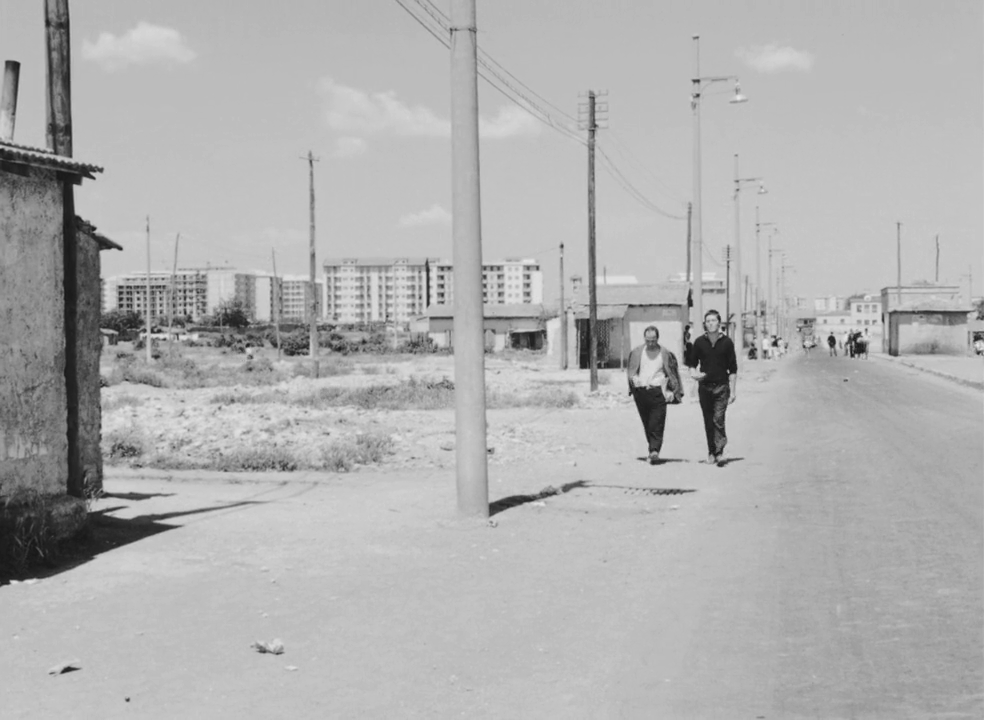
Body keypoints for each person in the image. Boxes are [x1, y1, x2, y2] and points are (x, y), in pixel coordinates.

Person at [686, 310, 738, 466]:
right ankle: (711, 452)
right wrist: (694, 374)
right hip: (705, 387)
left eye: (713, 320)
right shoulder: (699, 342)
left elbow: (733, 369)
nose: (710, 323)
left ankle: (720, 452)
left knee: (718, 419)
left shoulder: (727, 343)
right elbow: (692, 363)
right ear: (705, 324)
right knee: (708, 421)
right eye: (708, 321)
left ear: (719, 323)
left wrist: (733, 391)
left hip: (722, 387)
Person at [627, 326, 683, 465]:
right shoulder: (637, 352)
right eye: (648, 340)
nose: (650, 343)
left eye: (653, 340)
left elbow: (672, 372)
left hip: (658, 391)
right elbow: (631, 371)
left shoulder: (665, 353)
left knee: (657, 422)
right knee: (647, 422)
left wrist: (673, 390)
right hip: (641, 392)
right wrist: (634, 380)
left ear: (657, 338)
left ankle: (654, 450)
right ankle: (652, 447)